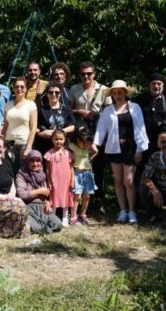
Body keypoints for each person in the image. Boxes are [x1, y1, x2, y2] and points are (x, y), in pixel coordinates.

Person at [92, 80, 148, 225]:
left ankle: (132, 211)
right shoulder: (107, 110)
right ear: (112, 94)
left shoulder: (135, 108)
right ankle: (122, 211)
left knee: (128, 181)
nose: (117, 95)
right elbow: (101, 129)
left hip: (131, 148)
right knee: (118, 180)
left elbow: (141, 129)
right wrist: (95, 144)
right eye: (114, 93)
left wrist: (140, 149)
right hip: (113, 148)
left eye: (120, 92)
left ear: (125, 92)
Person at [68, 61, 111, 214]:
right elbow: (69, 110)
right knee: (78, 167)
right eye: (83, 74)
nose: (86, 76)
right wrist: (79, 111)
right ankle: (76, 203)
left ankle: (98, 200)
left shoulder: (104, 90)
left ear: (94, 74)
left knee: (98, 166)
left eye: (89, 73)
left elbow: (109, 111)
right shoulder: (74, 89)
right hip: (79, 135)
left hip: (98, 132)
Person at [15, 150, 63, 234]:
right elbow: (22, 194)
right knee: (37, 228)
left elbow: (47, 194)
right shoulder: (21, 174)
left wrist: (47, 202)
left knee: (58, 224)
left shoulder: (42, 174)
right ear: (27, 161)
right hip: (28, 207)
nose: (35, 164)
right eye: (32, 161)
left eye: (38, 161)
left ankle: (44, 229)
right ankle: (41, 229)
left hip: (42, 207)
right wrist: (39, 191)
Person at [1, 77, 38, 170]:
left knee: (24, 172)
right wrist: (2, 145)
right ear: (13, 88)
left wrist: (29, 147)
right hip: (9, 144)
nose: (19, 89)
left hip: (24, 144)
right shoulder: (7, 105)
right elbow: (5, 126)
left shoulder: (31, 105)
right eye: (16, 87)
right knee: (10, 171)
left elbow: (33, 128)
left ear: (26, 89)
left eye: (22, 86)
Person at [34, 81, 76, 154]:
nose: (54, 94)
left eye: (57, 92)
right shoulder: (41, 109)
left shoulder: (66, 108)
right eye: (51, 92)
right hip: (44, 146)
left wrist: (58, 132)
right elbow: (34, 126)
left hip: (62, 147)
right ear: (47, 94)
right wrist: (41, 133)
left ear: (60, 94)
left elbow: (73, 126)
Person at [44, 129, 75, 227]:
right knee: (54, 198)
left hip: (66, 180)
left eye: (61, 139)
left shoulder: (68, 153)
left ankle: (65, 218)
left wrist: (72, 180)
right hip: (54, 180)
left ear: (65, 139)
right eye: (56, 139)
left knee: (66, 198)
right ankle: (52, 218)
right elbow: (47, 169)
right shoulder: (49, 153)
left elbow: (71, 168)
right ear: (52, 140)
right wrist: (49, 181)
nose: (58, 141)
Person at [68, 126, 95, 225]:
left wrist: (91, 158)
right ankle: (73, 217)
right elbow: (64, 149)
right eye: (83, 143)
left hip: (88, 172)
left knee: (87, 195)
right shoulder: (72, 146)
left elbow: (96, 151)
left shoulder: (88, 147)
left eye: (87, 144)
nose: (85, 145)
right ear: (78, 140)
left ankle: (83, 215)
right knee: (77, 196)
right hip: (77, 173)